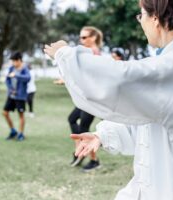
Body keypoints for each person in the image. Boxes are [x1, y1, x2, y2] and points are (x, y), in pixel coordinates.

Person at [44, 0, 173, 199]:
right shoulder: (170, 61)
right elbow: (147, 118)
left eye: (141, 15)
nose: (140, 22)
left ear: (155, 18)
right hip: (159, 180)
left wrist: (65, 55)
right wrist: (101, 135)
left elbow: (122, 78)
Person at [68, 26, 103, 171]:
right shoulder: (90, 54)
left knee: (84, 129)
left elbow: (93, 78)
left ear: (93, 38)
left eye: (84, 37)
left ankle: (94, 161)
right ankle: (80, 150)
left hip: (91, 100)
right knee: (71, 119)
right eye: (80, 37)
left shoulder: (94, 55)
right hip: (85, 99)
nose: (81, 40)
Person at [3, 52, 31, 141]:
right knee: (5, 113)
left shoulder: (24, 69)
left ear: (19, 60)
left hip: (20, 97)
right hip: (11, 95)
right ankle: (13, 131)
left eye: (14, 61)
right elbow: (7, 79)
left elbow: (27, 78)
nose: (13, 63)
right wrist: (11, 89)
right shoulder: (12, 68)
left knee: (21, 115)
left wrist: (16, 75)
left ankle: (21, 134)